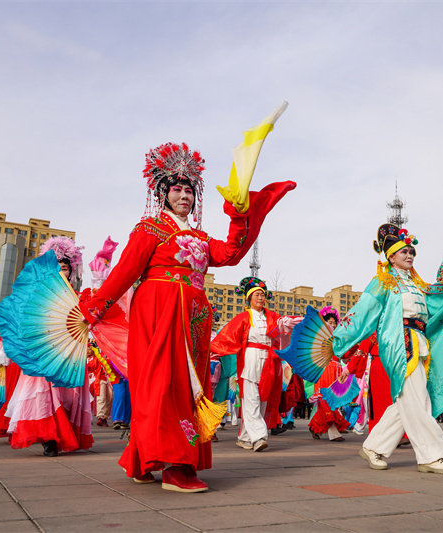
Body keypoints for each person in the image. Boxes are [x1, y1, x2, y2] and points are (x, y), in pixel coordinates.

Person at [80, 142, 295, 492]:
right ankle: (176, 465)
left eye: (189, 190)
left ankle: (140, 458)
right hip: (159, 311)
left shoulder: (199, 237)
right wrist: (95, 308)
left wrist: (240, 215)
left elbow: (230, 253)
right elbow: (123, 272)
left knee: (183, 384)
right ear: (162, 194)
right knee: (164, 384)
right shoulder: (149, 230)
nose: (184, 195)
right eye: (177, 189)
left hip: (193, 316)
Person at [315, 223, 443, 474]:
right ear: (391, 256)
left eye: (411, 252)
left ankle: (374, 447)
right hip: (399, 345)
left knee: (406, 401)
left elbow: (439, 298)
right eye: (404, 252)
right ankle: (430, 455)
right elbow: (362, 313)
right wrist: (337, 340)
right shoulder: (383, 283)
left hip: (419, 343)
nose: (409, 255)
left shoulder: (415, 284)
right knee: (418, 400)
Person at [5, 237, 93, 457]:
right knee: (47, 397)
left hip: (71, 355)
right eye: (58, 268)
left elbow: (84, 323)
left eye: (65, 268)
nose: (62, 272)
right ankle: (49, 439)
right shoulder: (38, 294)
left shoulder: (78, 297)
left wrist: (86, 343)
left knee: (69, 397)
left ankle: (66, 435)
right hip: (46, 355)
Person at [210, 276, 301, 452]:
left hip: (269, 360)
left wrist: (298, 322)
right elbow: (227, 337)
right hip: (250, 358)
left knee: (263, 399)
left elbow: (284, 326)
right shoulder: (243, 317)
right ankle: (259, 437)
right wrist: (212, 350)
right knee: (251, 398)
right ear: (249, 298)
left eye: (262, 294)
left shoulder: (273, 317)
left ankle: (244, 437)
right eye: (257, 294)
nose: (261, 297)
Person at [308, 306, 352, 441]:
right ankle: (333, 433)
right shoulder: (319, 338)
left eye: (334, 323)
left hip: (337, 370)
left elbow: (344, 355)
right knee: (327, 400)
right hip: (325, 370)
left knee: (334, 401)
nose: (332, 325)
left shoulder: (338, 338)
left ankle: (314, 426)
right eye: (329, 322)